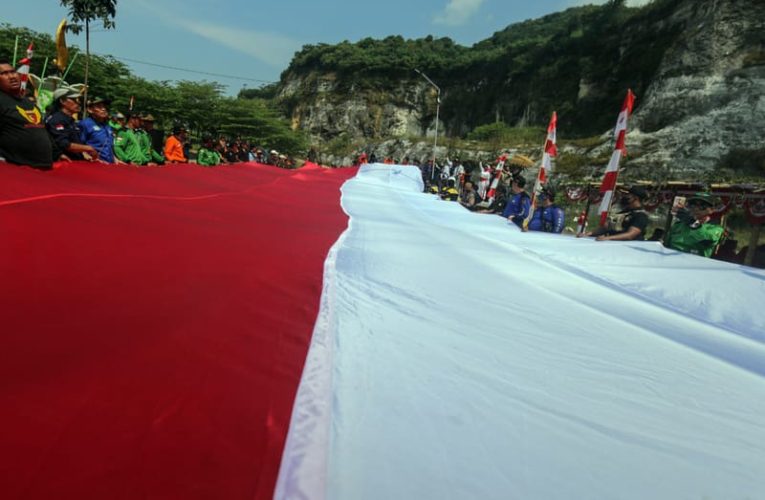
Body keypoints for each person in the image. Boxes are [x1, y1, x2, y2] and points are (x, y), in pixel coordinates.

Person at [0, 59, 54, 169]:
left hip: (44, 169)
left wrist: (59, 153)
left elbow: (42, 130)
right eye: (4, 74)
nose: (12, 76)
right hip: (15, 171)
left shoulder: (29, 102)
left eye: (13, 72)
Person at [45, 87, 99, 161]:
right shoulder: (56, 120)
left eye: (79, 100)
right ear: (62, 101)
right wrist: (88, 148)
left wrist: (83, 153)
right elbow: (64, 144)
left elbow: (74, 142)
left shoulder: (71, 121)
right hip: (63, 165)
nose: (78, 103)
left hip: (75, 163)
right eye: (74, 100)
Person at [580, 186, 649, 241]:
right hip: (613, 245)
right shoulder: (624, 212)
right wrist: (589, 234)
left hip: (629, 248)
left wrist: (609, 238)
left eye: (628, 195)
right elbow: (606, 228)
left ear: (635, 198)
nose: (625, 196)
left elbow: (630, 235)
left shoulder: (640, 216)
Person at [666, 192, 725, 257]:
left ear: (712, 210)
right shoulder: (678, 225)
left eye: (702, 206)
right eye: (692, 205)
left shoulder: (716, 229)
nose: (696, 209)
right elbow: (666, 245)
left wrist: (692, 222)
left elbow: (706, 237)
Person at [78, 97, 117, 163]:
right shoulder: (85, 124)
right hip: (94, 166)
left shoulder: (107, 126)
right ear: (90, 110)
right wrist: (86, 155)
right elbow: (78, 146)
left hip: (109, 166)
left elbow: (108, 147)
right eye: (99, 107)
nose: (104, 109)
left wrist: (115, 160)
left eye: (104, 107)